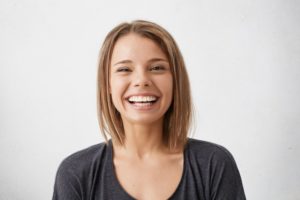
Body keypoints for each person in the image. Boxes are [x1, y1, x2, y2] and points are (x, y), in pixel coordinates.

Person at [52, 20, 246, 200]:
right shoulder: (75, 173)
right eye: (124, 69)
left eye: (156, 68)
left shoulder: (214, 164)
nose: (141, 80)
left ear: (175, 81)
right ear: (107, 84)